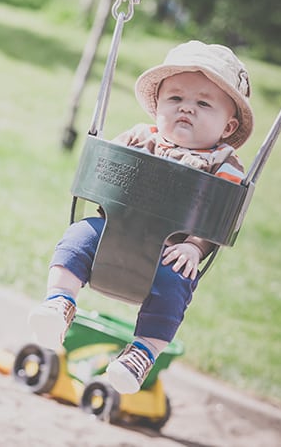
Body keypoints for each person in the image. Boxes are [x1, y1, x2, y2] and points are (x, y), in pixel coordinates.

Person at [28, 40, 253, 395]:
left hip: (169, 253)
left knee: (179, 279)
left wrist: (195, 248)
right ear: (157, 106)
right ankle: (59, 302)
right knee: (79, 235)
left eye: (203, 103)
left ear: (228, 127)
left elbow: (219, 215)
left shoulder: (224, 164)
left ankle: (142, 353)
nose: (187, 109)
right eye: (175, 99)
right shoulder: (139, 136)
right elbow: (105, 168)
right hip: (114, 233)